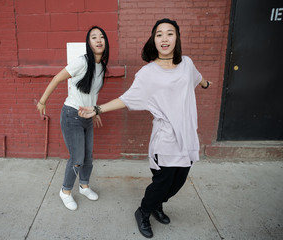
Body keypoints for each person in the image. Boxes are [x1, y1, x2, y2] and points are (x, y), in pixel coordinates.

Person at [78, 18, 211, 238]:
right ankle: (144, 211)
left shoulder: (187, 64)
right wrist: (98, 109)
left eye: (169, 33)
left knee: (178, 183)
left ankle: (158, 205)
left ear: (177, 37)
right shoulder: (148, 73)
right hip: (166, 140)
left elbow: (198, 78)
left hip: (187, 137)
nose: (164, 38)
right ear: (154, 40)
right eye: (159, 34)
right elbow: (126, 98)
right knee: (161, 183)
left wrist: (206, 84)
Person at [36, 26, 109, 211]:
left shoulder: (101, 66)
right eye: (94, 37)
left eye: (101, 37)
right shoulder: (82, 62)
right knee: (77, 157)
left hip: (86, 116)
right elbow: (56, 78)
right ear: (89, 43)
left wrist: (95, 112)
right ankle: (65, 191)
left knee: (89, 157)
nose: (99, 40)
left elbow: (92, 92)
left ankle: (84, 186)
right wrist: (42, 101)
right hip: (72, 115)